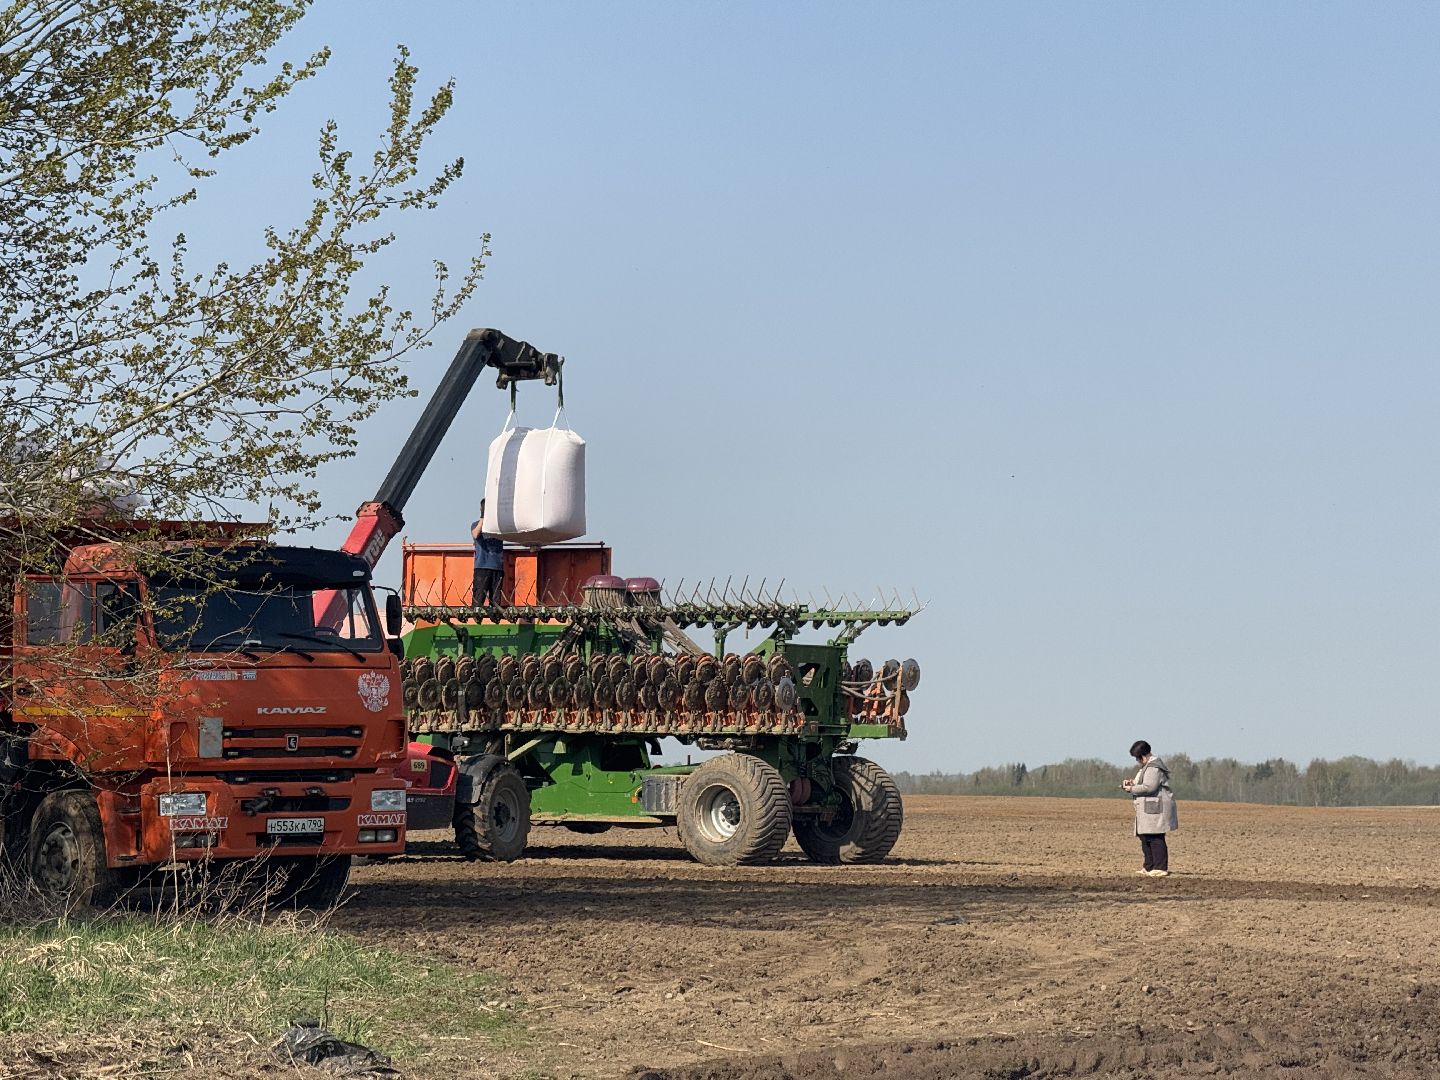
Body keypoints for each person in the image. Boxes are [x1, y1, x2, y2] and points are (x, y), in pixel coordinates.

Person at [1121, 739, 1178, 877]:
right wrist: (1132, 783)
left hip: (1155, 809)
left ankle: (1160, 867)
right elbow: (1143, 782)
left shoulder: (1154, 767)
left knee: (1155, 837)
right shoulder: (1148, 767)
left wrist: (1131, 789)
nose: (1137, 761)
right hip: (1149, 809)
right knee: (1145, 835)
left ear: (1143, 756)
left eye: (1137, 758)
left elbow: (1149, 787)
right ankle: (1149, 866)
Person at [470, 501, 504, 606]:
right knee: (478, 599)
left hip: (497, 567)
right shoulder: (475, 525)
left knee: (496, 601)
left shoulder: (499, 525)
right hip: (481, 567)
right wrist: (483, 517)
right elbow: (475, 534)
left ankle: (494, 618)